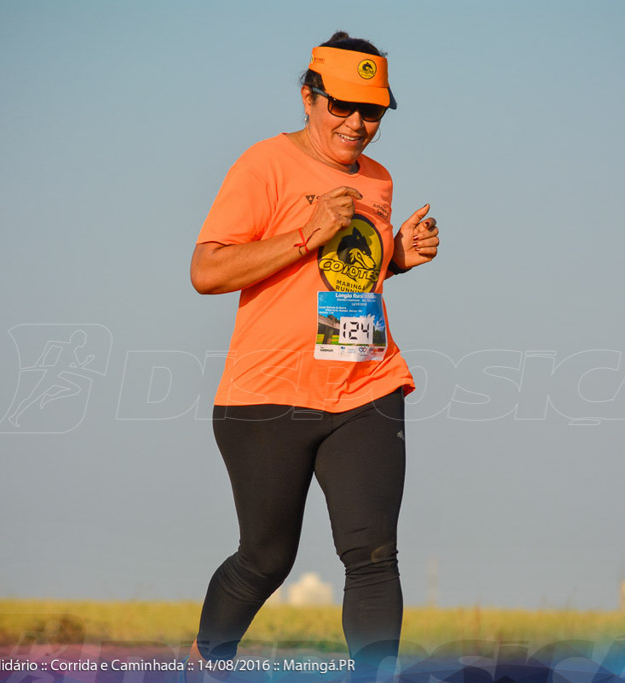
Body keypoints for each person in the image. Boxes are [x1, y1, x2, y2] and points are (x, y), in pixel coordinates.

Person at [187, 31, 440, 677]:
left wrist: (397, 258)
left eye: (373, 111)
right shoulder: (263, 165)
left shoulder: (378, 180)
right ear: (309, 97)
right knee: (266, 557)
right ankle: (206, 661)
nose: (357, 124)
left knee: (374, 553)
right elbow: (208, 270)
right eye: (342, 107)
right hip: (268, 395)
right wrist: (305, 233)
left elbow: (345, 275)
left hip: (366, 384)